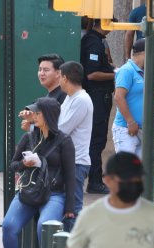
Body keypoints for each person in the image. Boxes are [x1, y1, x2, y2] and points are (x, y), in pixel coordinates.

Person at [0, 97, 76, 248]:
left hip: (54, 193)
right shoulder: (29, 137)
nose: (34, 116)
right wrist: (25, 163)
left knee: (45, 225)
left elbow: (70, 174)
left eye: (37, 113)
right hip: (29, 191)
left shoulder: (64, 140)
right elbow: (13, 165)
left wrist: (70, 206)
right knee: (8, 225)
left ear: (48, 116)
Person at [80, 18, 116, 195]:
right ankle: (94, 181)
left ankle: (94, 177)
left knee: (96, 140)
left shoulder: (94, 40)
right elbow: (92, 74)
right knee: (97, 139)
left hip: (99, 96)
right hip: (97, 97)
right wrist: (115, 74)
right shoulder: (94, 43)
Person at [57, 61, 93, 218]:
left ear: (64, 78)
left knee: (73, 209)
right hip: (68, 161)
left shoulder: (81, 100)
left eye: (59, 77)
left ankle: (75, 241)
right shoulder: (69, 98)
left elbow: (62, 129)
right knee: (65, 208)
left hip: (77, 162)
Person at [112, 40, 148, 156]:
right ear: (144, 53)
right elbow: (118, 97)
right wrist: (130, 122)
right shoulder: (126, 70)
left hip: (142, 129)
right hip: (126, 129)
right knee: (125, 171)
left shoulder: (145, 71)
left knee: (139, 172)